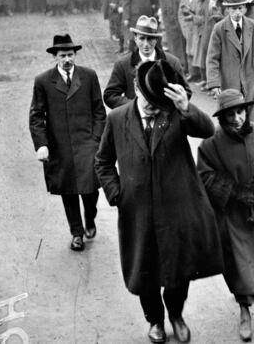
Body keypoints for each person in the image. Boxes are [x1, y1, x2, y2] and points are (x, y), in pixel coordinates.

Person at [95, 60, 223, 343]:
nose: (154, 107)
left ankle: (176, 315)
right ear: (137, 90)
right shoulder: (117, 118)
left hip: (177, 208)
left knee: (179, 269)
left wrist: (185, 107)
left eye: (159, 103)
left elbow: (208, 130)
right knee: (146, 270)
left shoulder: (174, 113)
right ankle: (155, 320)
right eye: (149, 101)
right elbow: (103, 161)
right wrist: (117, 193)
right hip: (137, 211)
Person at [197, 89, 254, 342]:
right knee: (239, 262)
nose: (236, 118)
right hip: (231, 214)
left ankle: (247, 293)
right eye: (230, 114)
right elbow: (205, 175)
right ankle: (244, 310)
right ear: (221, 117)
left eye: (240, 112)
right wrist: (234, 191)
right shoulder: (211, 143)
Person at [28, 34, 106, 251]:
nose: (67, 60)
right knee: (69, 191)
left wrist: (97, 139)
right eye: (62, 55)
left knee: (91, 190)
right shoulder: (43, 81)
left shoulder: (89, 76)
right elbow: (36, 115)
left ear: (75, 55)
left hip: (87, 144)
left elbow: (99, 111)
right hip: (60, 146)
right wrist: (41, 144)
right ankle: (77, 233)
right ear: (55, 57)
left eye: (70, 55)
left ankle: (90, 218)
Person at [206, 0, 254, 124]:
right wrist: (214, 83)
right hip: (230, 79)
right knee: (233, 115)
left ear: (244, 8)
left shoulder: (252, 25)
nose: (237, 12)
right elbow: (212, 58)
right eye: (233, 8)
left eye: (240, 8)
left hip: (252, 77)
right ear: (227, 9)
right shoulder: (219, 28)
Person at [103, 15, 188, 110]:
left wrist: (164, 106)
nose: (146, 44)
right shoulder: (123, 64)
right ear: (135, 38)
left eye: (150, 39)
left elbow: (186, 92)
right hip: (135, 120)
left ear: (156, 40)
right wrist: (135, 107)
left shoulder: (172, 62)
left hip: (164, 118)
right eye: (142, 38)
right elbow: (110, 95)